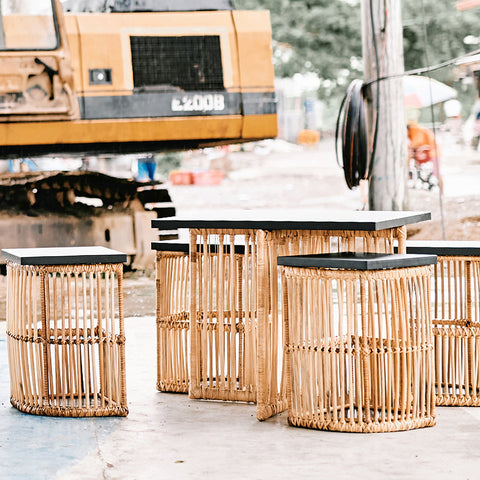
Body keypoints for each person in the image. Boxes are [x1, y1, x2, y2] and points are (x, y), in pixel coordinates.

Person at [407, 120, 443, 192]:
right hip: (430, 152)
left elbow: (415, 144)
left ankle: (442, 192)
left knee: (437, 173)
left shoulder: (415, 130)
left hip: (433, 153)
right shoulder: (415, 130)